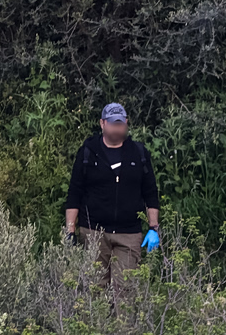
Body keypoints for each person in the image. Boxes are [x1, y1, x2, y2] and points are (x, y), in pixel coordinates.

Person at [64, 103, 161, 294]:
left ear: (126, 123)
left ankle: (123, 316)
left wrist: (153, 228)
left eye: (120, 124)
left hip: (129, 233)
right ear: (102, 123)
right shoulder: (88, 152)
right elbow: (75, 192)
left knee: (125, 290)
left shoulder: (138, 153)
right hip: (93, 232)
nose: (117, 128)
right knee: (94, 290)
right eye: (112, 123)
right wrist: (70, 230)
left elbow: (150, 192)